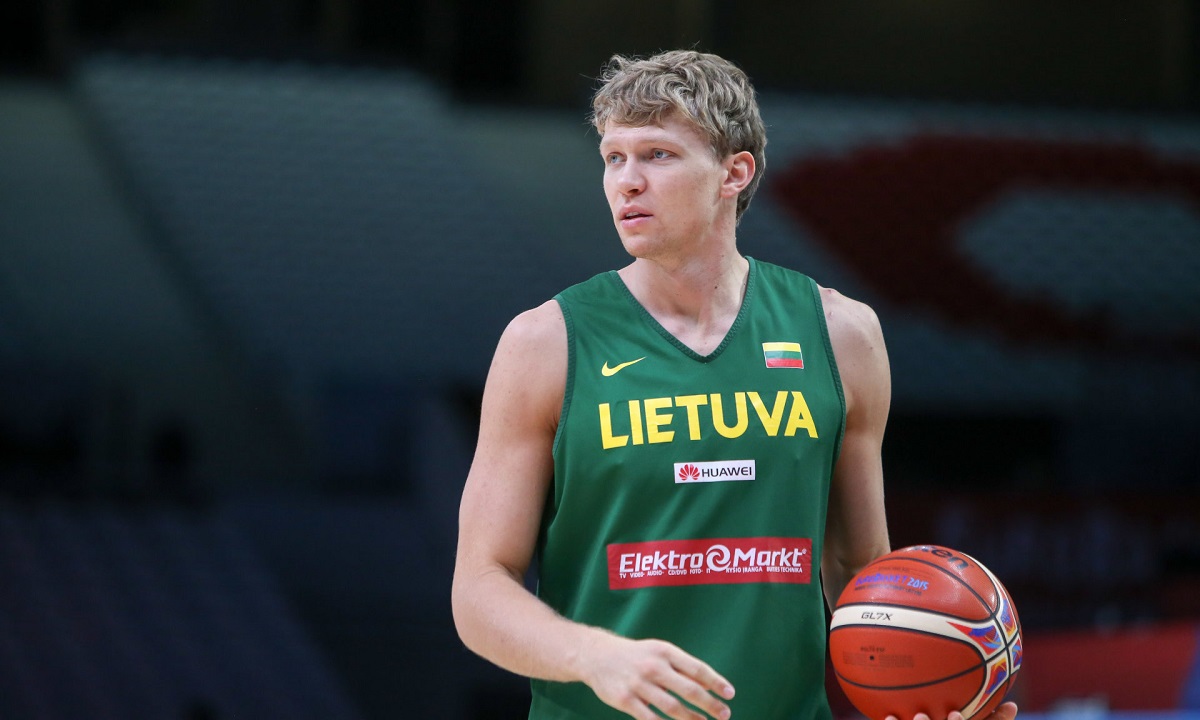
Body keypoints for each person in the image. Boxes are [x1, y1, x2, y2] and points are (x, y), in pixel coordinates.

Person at [452, 49, 1019, 720]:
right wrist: (592, 654)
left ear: (734, 172)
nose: (627, 182)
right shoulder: (545, 343)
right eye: (613, 158)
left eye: (657, 155)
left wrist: (920, 692)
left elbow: (861, 574)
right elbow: (479, 589)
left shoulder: (841, 334)